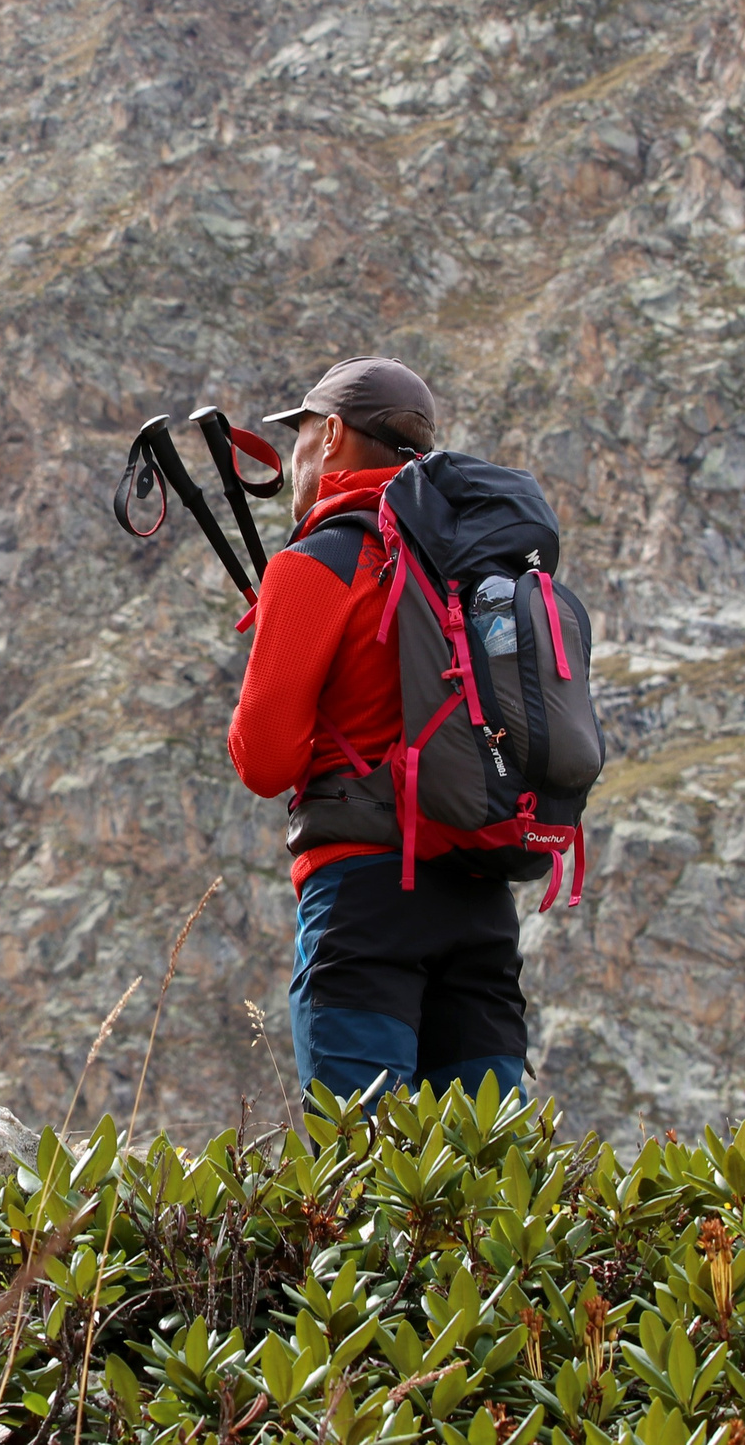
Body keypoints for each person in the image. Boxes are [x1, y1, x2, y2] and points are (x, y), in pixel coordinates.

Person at [226, 356, 529, 1104]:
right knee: (486, 1179)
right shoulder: (469, 568)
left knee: (364, 1175)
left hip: (366, 904)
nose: (294, 456)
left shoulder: (315, 563)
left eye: (299, 435)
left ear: (330, 435)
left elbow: (264, 760)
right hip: (480, 895)